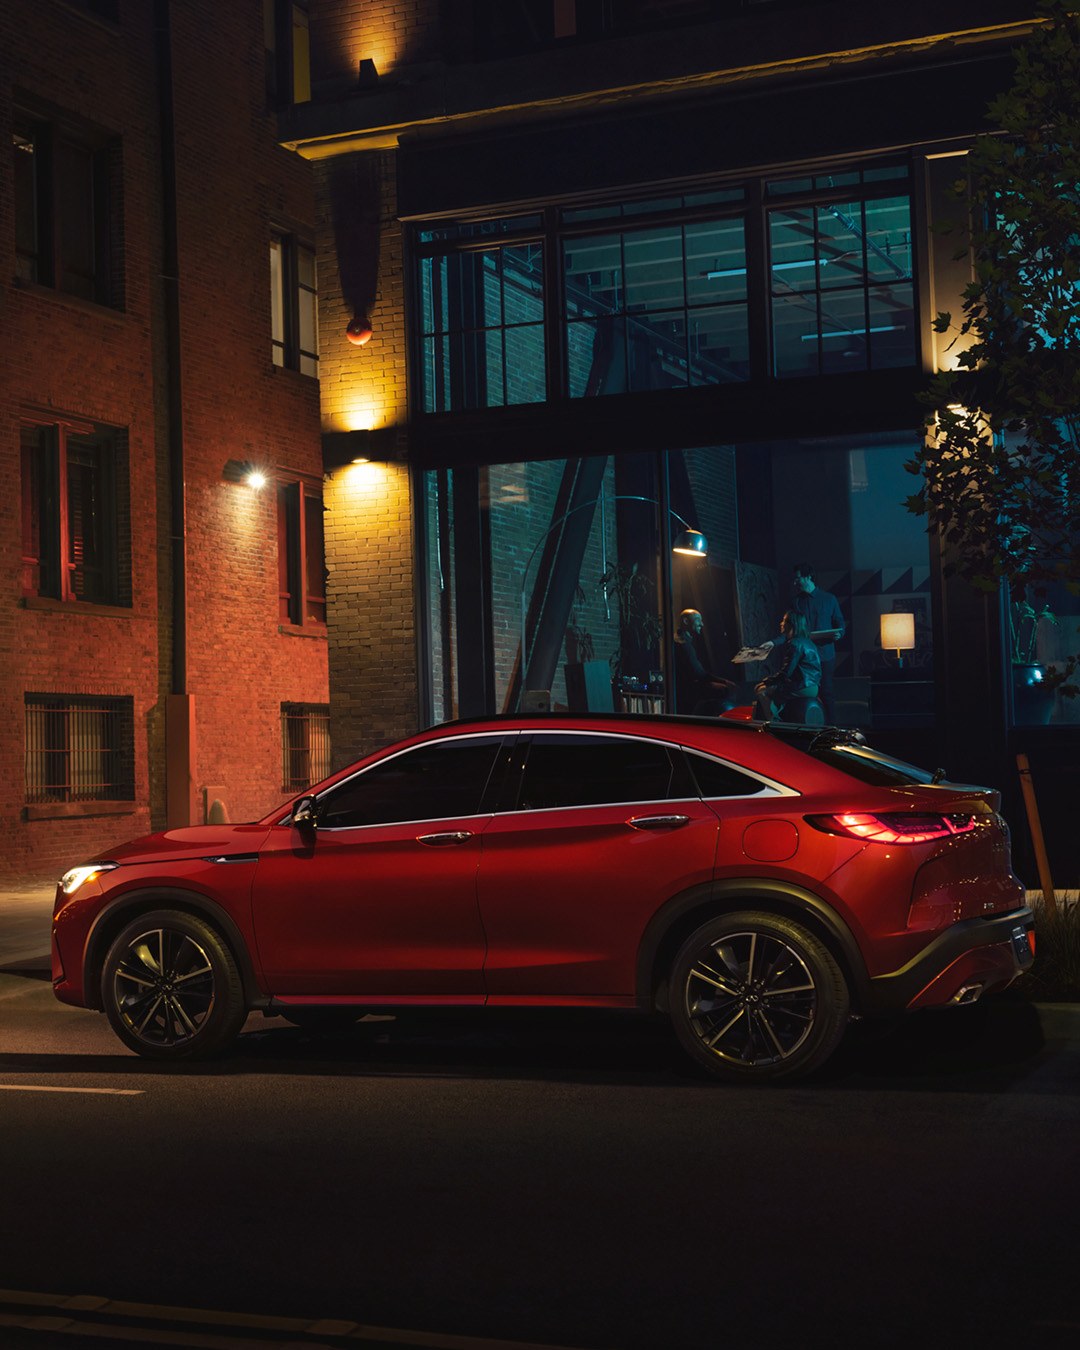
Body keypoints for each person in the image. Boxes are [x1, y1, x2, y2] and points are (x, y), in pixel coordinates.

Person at [760, 563, 844, 723]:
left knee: (826, 692)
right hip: (803, 658)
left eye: (798, 578)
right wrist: (773, 642)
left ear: (808, 577)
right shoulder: (796, 602)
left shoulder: (829, 599)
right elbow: (789, 630)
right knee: (803, 690)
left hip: (825, 655)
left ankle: (832, 729)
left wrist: (839, 634)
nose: (794, 582)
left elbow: (840, 624)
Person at [755, 610, 822, 721]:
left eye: (784, 621)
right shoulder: (809, 642)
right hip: (813, 687)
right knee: (765, 688)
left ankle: (772, 723)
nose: (781, 623)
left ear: (791, 624)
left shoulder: (795, 644)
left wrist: (767, 681)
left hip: (801, 687)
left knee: (760, 690)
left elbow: (786, 673)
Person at [673, 609, 737, 714]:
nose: (701, 624)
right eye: (698, 620)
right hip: (687, 689)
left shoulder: (681, 640)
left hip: (686, 687)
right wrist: (725, 682)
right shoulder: (683, 643)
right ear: (686, 621)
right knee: (727, 690)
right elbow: (699, 673)